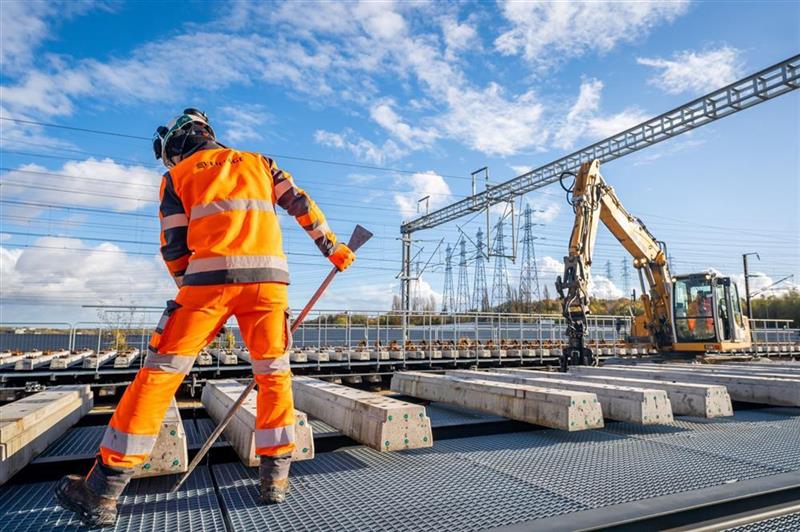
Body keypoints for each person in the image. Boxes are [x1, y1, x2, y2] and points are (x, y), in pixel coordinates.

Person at [54, 108, 355, 526]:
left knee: (160, 374)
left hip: (206, 284)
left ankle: (103, 490)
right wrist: (333, 248)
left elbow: (174, 246)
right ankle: (275, 478)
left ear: (178, 144)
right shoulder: (260, 163)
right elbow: (300, 203)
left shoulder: (176, 178)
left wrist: (190, 296)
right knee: (273, 374)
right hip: (269, 285)